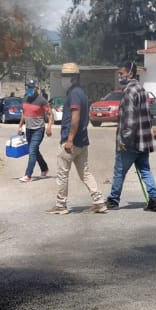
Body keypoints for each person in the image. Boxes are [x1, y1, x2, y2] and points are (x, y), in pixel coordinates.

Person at [47, 63, 107, 214]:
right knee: (85, 173)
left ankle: (60, 205)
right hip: (82, 141)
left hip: (71, 141)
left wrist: (69, 139)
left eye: (66, 76)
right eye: (63, 76)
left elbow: (75, 117)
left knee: (62, 174)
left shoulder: (73, 94)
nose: (64, 79)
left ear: (74, 77)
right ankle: (99, 201)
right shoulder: (82, 93)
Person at [106, 60, 156, 212]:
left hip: (130, 142)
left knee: (119, 171)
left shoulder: (129, 91)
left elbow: (129, 119)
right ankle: (155, 199)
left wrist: (124, 139)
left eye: (121, 73)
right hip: (143, 140)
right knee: (145, 170)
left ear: (130, 74)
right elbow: (148, 115)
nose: (119, 76)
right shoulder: (141, 89)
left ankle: (113, 200)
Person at [16, 79, 51, 182]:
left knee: (32, 151)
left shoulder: (42, 100)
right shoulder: (25, 98)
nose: (30, 89)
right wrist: (20, 126)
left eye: (32, 87)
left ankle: (28, 175)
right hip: (28, 130)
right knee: (34, 150)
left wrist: (49, 127)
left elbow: (50, 114)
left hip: (38, 130)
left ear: (37, 88)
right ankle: (44, 168)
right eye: (29, 87)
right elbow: (24, 113)